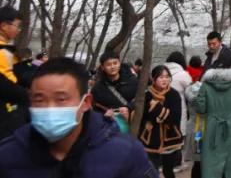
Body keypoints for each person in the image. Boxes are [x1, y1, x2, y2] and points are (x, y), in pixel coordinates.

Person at [0, 57, 156, 177]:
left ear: (86, 102)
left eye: (61, 99)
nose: (49, 108)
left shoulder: (126, 153)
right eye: (39, 100)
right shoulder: (8, 154)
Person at [138, 66, 183, 178]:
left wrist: (157, 108)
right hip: (150, 138)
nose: (165, 80)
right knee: (151, 171)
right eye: (161, 77)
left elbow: (175, 118)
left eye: (167, 77)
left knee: (168, 171)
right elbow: (142, 116)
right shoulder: (147, 95)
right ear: (154, 78)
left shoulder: (174, 94)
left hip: (171, 138)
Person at [0, 5, 29, 140]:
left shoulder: (7, 48)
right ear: (4, 25)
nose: (18, 30)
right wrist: (24, 94)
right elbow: (3, 82)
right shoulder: (2, 49)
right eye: (17, 26)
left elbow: (15, 71)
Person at [90, 53, 138, 132]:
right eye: (108, 64)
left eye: (115, 63)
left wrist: (129, 108)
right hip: (111, 127)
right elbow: (95, 110)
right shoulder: (97, 88)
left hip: (133, 124)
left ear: (119, 63)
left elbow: (141, 100)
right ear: (102, 67)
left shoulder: (133, 81)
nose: (112, 67)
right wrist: (105, 116)